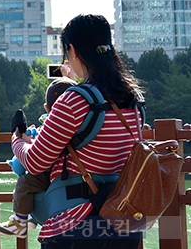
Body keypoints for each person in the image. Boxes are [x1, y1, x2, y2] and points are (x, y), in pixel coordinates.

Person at [11, 14, 144, 248]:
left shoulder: (74, 101)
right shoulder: (134, 100)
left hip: (75, 224)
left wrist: (17, 141)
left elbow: (35, 162)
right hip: (122, 220)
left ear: (72, 50)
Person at [0, 76, 78, 238]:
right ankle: (31, 217)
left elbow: (38, 156)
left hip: (56, 174)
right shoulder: (82, 119)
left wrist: (19, 138)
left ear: (47, 108)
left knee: (26, 182)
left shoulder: (53, 122)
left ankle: (21, 221)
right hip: (77, 176)